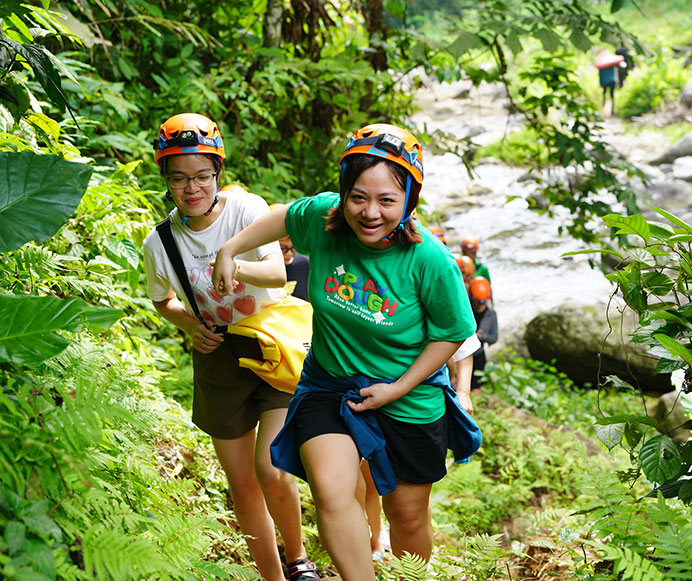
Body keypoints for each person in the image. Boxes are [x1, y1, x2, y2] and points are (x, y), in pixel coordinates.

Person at [211, 123, 481, 581]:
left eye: (387, 201)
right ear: (343, 193)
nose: (370, 213)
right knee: (333, 493)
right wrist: (231, 248)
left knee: (408, 515)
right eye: (358, 197)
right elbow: (282, 216)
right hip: (331, 384)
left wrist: (396, 389)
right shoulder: (325, 220)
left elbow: (451, 335)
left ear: (410, 200)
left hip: (409, 396)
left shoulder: (429, 260)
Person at [141, 113, 318, 581]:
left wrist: (232, 265)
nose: (191, 188)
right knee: (241, 482)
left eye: (202, 176)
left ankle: (298, 559)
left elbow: (280, 274)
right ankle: (271, 576)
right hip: (217, 358)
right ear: (166, 180)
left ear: (218, 173)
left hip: (271, 343)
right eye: (179, 178)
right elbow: (163, 300)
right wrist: (187, 325)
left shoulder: (244, 210)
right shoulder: (160, 242)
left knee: (271, 466)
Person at [270, 203, 311, 301]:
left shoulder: (304, 263)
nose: (289, 254)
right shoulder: (264, 265)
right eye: (283, 249)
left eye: (293, 248)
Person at [469, 276, 498, 393]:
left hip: (479, 356)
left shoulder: (491, 314)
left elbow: (494, 338)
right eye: (477, 302)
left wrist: (482, 336)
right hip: (463, 354)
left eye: (483, 302)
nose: (480, 304)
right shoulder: (467, 310)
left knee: (476, 387)